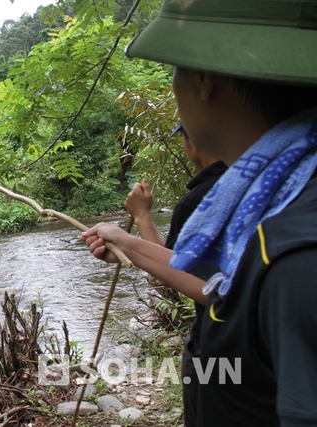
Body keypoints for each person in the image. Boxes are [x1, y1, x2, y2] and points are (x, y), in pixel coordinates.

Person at [81, 0, 317, 426]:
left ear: (205, 80)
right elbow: (222, 287)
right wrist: (126, 239)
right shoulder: (274, 201)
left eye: (175, 70)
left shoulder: (295, 255)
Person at [125, 125, 226, 427]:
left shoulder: (197, 200)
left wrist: (141, 217)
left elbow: (175, 273)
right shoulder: (258, 182)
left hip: (217, 345)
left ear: (191, 142)